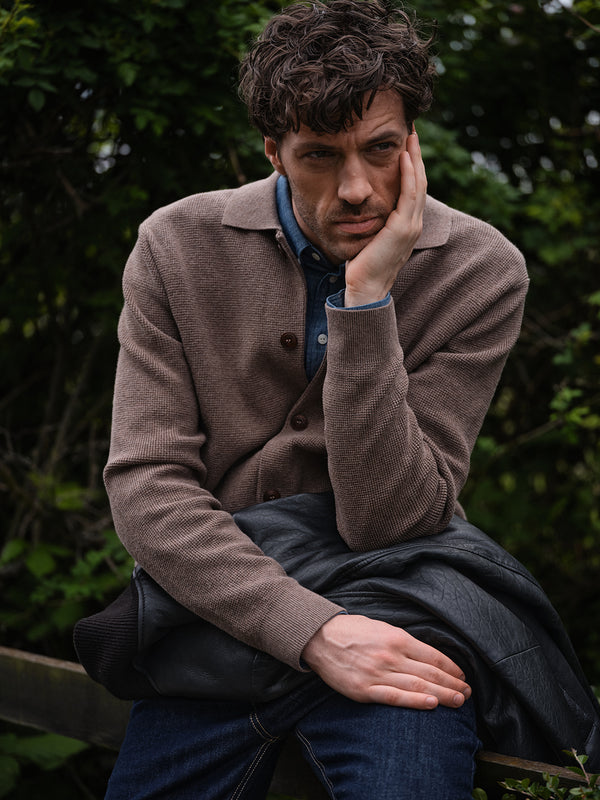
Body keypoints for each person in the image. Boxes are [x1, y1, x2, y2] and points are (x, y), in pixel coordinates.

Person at [102, 1, 529, 797]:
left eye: (381, 150)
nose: (359, 189)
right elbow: (146, 488)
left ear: (414, 144)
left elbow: (390, 520)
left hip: (399, 611)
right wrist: (314, 631)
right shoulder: (175, 245)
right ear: (274, 151)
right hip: (224, 621)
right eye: (321, 156)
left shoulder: (481, 271)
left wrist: (367, 303)